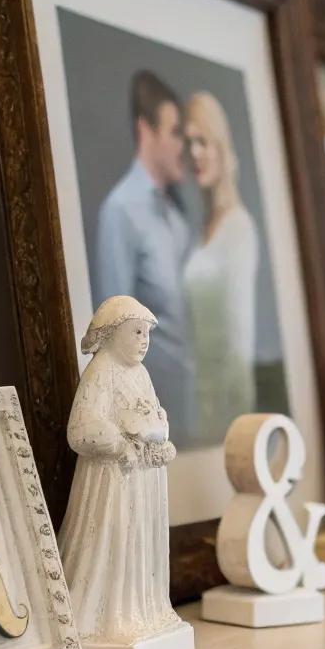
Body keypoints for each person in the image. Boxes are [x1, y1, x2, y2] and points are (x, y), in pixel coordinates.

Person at [59, 295, 182, 649]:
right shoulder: (101, 372)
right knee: (116, 540)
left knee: (138, 542)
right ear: (112, 334)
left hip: (142, 479)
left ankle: (144, 609)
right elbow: (80, 429)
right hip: (113, 481)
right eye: (136, 331)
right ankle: (112, 616)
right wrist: (120, 438)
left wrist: (155, 429)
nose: (144, 340)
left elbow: (155, 415)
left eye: (147, 333)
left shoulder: (140, 373)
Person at [88, 71, 194, 446]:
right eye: (176, 132)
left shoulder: (177, 219)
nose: (186, 146)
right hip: (153, 416)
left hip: (192, 408)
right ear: (145, 131)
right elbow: (114, 322)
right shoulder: (121, 211)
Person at [182, 92, 259, 447]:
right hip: (197, 395)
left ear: (220, 145)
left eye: (202, 141)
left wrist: (235, 421)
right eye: (188, 142)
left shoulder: (238, 228)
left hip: (226, 404)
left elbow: (239, 340)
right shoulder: (202, 229)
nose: (194, 152)